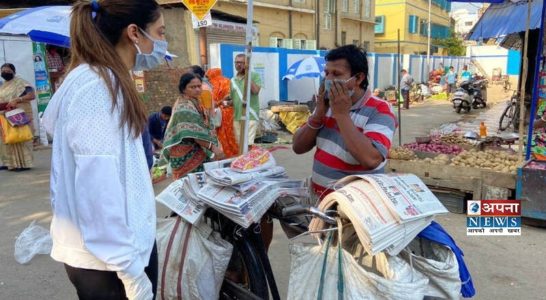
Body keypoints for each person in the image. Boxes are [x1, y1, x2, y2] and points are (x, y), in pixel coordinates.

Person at [41, 1, 167, 299]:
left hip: (114, 254)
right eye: (160, 32)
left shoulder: (100, 79)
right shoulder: (98, 88)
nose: (163, 43)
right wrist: (133, 275)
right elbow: (99, 192)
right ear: (134, 33)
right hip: (110, 264)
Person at [292, 45, 397, 201]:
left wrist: (341, 115)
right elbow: (298, 147)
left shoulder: (380, 110)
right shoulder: (326, 104)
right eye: (327, 73)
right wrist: (318, 114)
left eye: (337, 74)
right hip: (321, 199)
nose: (328, 79)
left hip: (356, 207)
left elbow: (371, 160)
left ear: (358, 78)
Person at [161, 73, 224, 180]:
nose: (197, 89)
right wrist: (214, 148)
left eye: (199, 86)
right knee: (191, 185)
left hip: (195, 150)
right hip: (185, 155)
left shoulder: (194, 101)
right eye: (192, 87)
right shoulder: (184, 106)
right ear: (183, 89)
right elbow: (195, 134)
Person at [0, 63, 36, 171]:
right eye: (2, 71)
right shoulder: (3, 86)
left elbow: (32, 95)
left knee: (21, 137)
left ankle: (24, 164)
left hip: (19, 116)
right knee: (7, 138)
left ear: (14, 72)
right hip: (5, 115)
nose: (5, 73)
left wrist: (18, 100)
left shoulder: (21, 83)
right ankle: (9, 163)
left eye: (7, 71)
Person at [206, 68, 239, 157]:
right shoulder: (228, 81)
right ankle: (236, 151)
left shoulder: (213, 84)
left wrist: (218, 103)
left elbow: (212, 101)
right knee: (232, 132)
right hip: (232, 111)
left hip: (220, 112)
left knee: (222, 134)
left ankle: (226, 153)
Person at [230, 53, 261, 149]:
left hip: (250, 114)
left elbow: (255, 91)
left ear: (247, 64)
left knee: (248, 144)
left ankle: (248, 162)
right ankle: (243, 161)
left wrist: (247, 75)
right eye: (236, 62)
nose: (238, 65)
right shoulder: (232, 80)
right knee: (240, 144)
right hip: (237, 116)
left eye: (241, 63)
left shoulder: (254, 76)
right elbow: (233, 98)